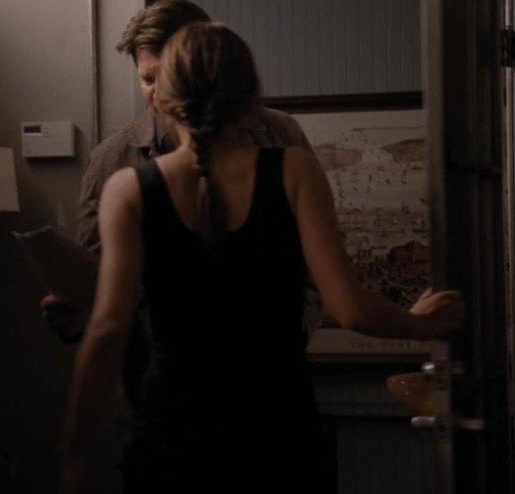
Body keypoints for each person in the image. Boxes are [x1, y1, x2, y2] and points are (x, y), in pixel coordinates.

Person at [58, 22, 465, 493]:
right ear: (252, 98)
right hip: (277, 430)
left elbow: (108, 330)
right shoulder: (294, 171)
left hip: (170, 432)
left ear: (163, 97)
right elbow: (350, 308)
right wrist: (421, 323)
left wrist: (75, 456)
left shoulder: (128, 190)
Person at [41, 0, 323, 400]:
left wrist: (295, 329)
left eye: (168, 75)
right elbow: (95, 274)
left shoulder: (281, 136)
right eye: (147, 78)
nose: (158, 93)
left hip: (268, 374)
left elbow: (316, 257)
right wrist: (76, 309)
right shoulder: (111, 161)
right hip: (157, 380)